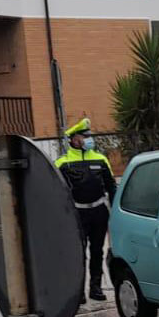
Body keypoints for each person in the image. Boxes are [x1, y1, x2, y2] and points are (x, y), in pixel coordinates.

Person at [55, 118, 117, 302]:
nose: (89, 140)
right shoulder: (62, 163)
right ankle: (78, 291)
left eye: (90, 136)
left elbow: (111, 186)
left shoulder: (100, 159)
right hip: (76, 214)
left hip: (99, 211)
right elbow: (56, 193)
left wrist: (116, 213)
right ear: (74, 139)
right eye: (85, 136)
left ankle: (95, 288)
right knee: (78, 253)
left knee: (97, 251)